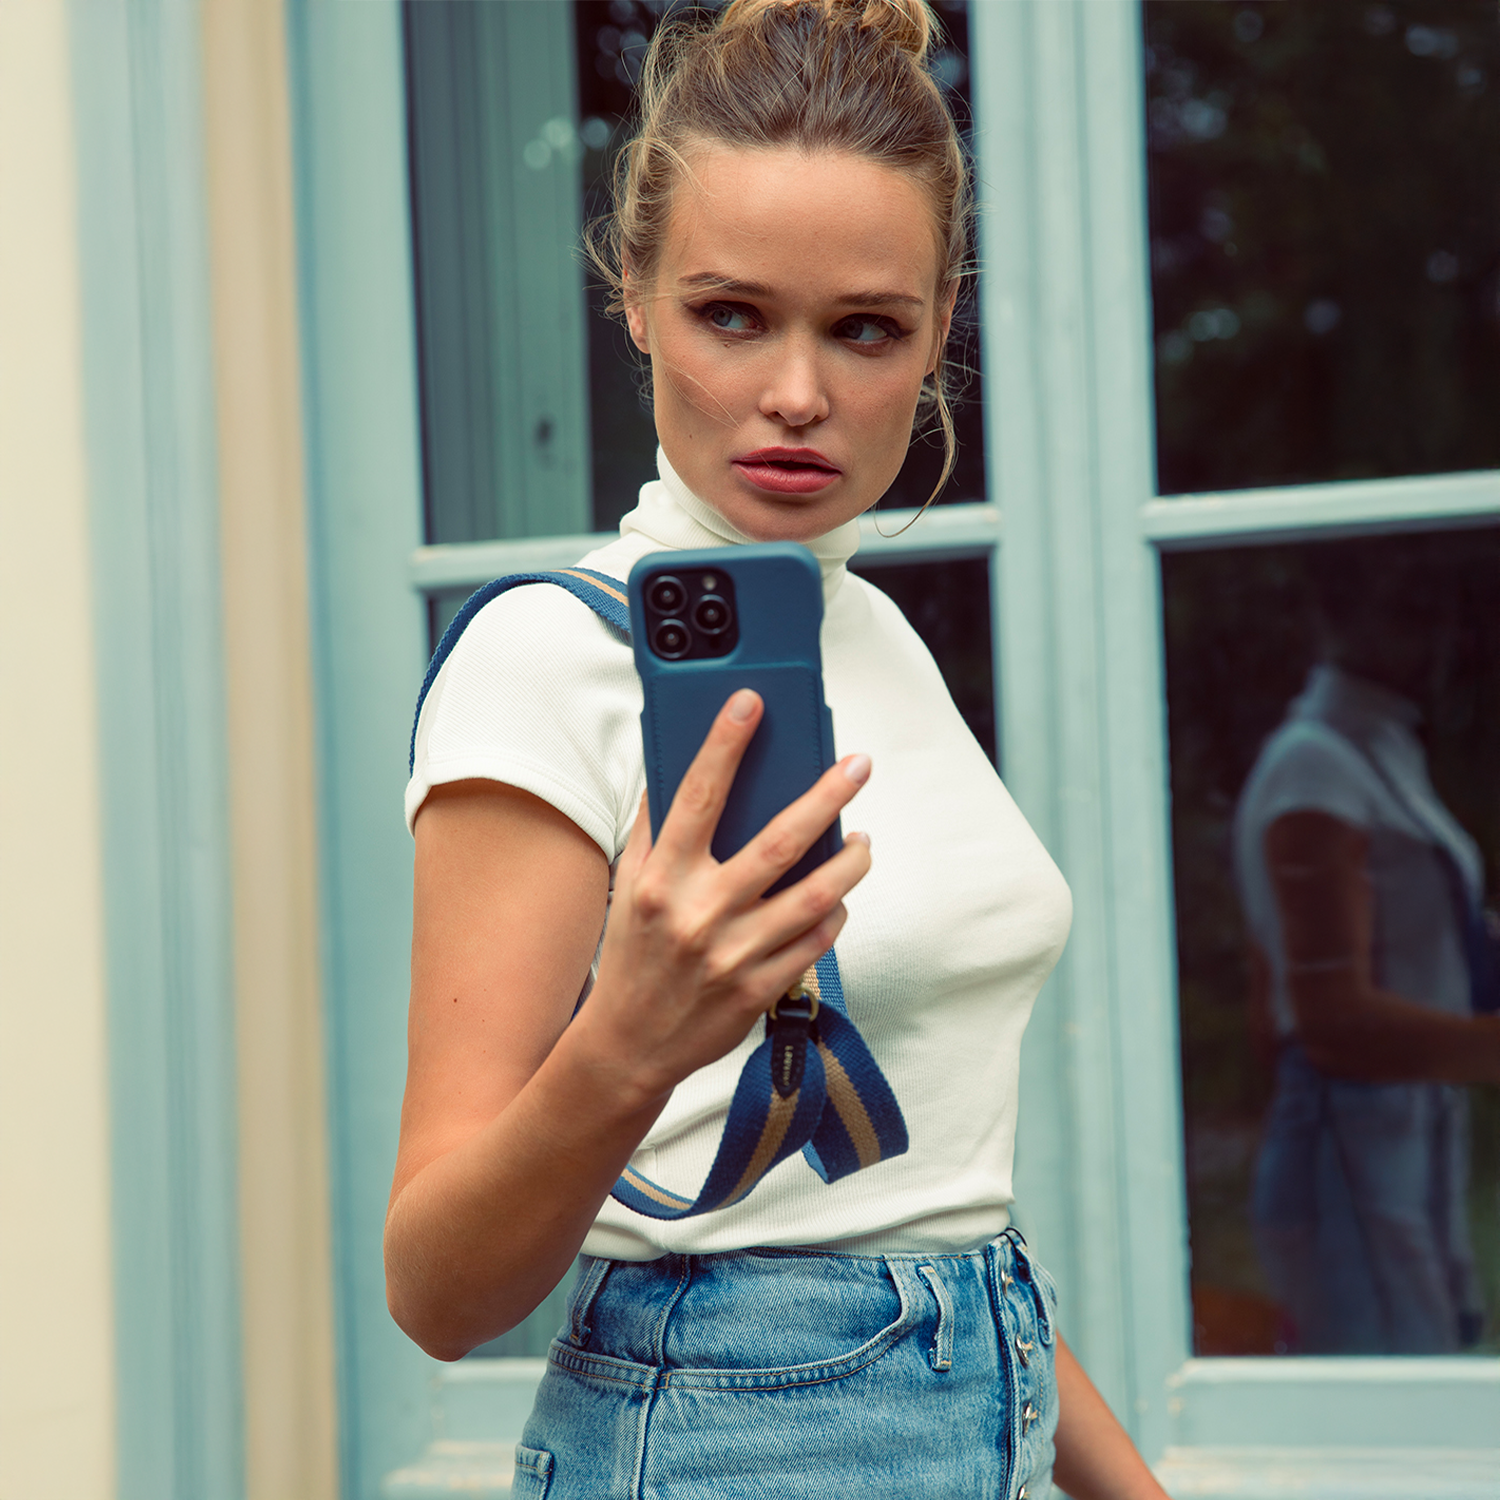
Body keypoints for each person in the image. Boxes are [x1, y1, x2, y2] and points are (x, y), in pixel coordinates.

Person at [388, 3, 1174, 1494]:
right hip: (717, 1435)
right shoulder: (547, 661)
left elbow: (922, 1207)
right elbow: (433, 1290)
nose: (799, 395)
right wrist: (630, 1035)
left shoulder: (871, 635)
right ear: (634, 296)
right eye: (733, 314)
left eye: (865, 328)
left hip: (982, 1393)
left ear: (939, 325)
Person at [1235, 539, 1500, 1353]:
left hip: (1400, 1127)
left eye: (1438, 613)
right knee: (1389, 1387)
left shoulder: (1378, 750)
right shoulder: (1317, 764)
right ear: (1334, 616)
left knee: (1431, 1363)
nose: (1434, 636)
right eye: (1405, 611)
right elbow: (1329, 1020)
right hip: (1350, 1138)